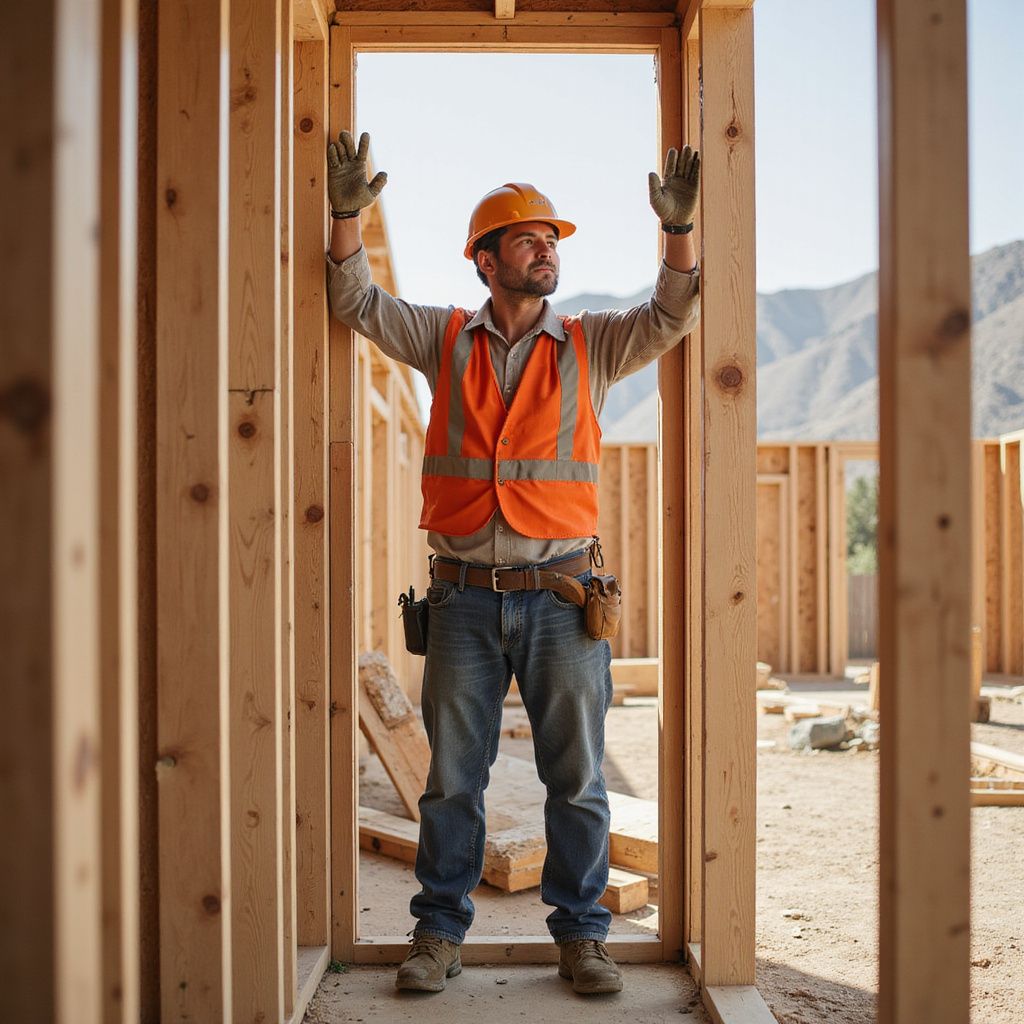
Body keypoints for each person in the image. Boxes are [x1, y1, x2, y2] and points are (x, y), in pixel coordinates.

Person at [325, 130, 700, 995]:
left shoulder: (595, 345)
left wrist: (676, 233)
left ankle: (582, 937)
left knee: (576, 780)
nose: (547, 250)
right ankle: (437, 935)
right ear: (486, 260)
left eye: (553, 240)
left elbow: (674, 313)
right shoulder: (444, 338)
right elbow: (355, 299)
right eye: (529, 239)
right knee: (453, 782)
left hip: (563, 600)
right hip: (460, 601)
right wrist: (348, 214)